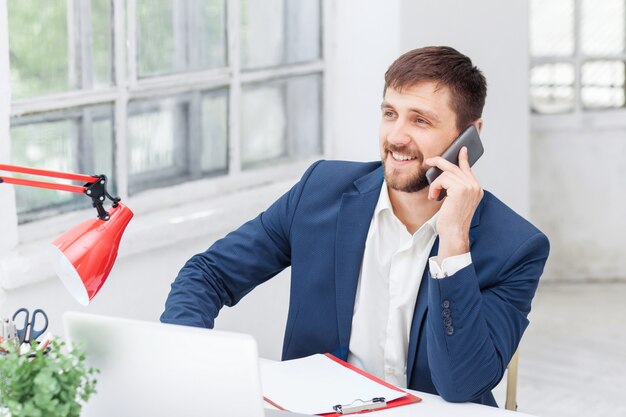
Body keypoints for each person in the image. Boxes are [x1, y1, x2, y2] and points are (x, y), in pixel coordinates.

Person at [161, 46, 549, 407]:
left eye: (420, 120)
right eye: (389, 113)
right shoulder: (320, 191)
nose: (396, 137)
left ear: (471, 136)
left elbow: (462, 384)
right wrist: (192, 358)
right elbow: (209, 273)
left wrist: (454, 243)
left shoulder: (516, 247)